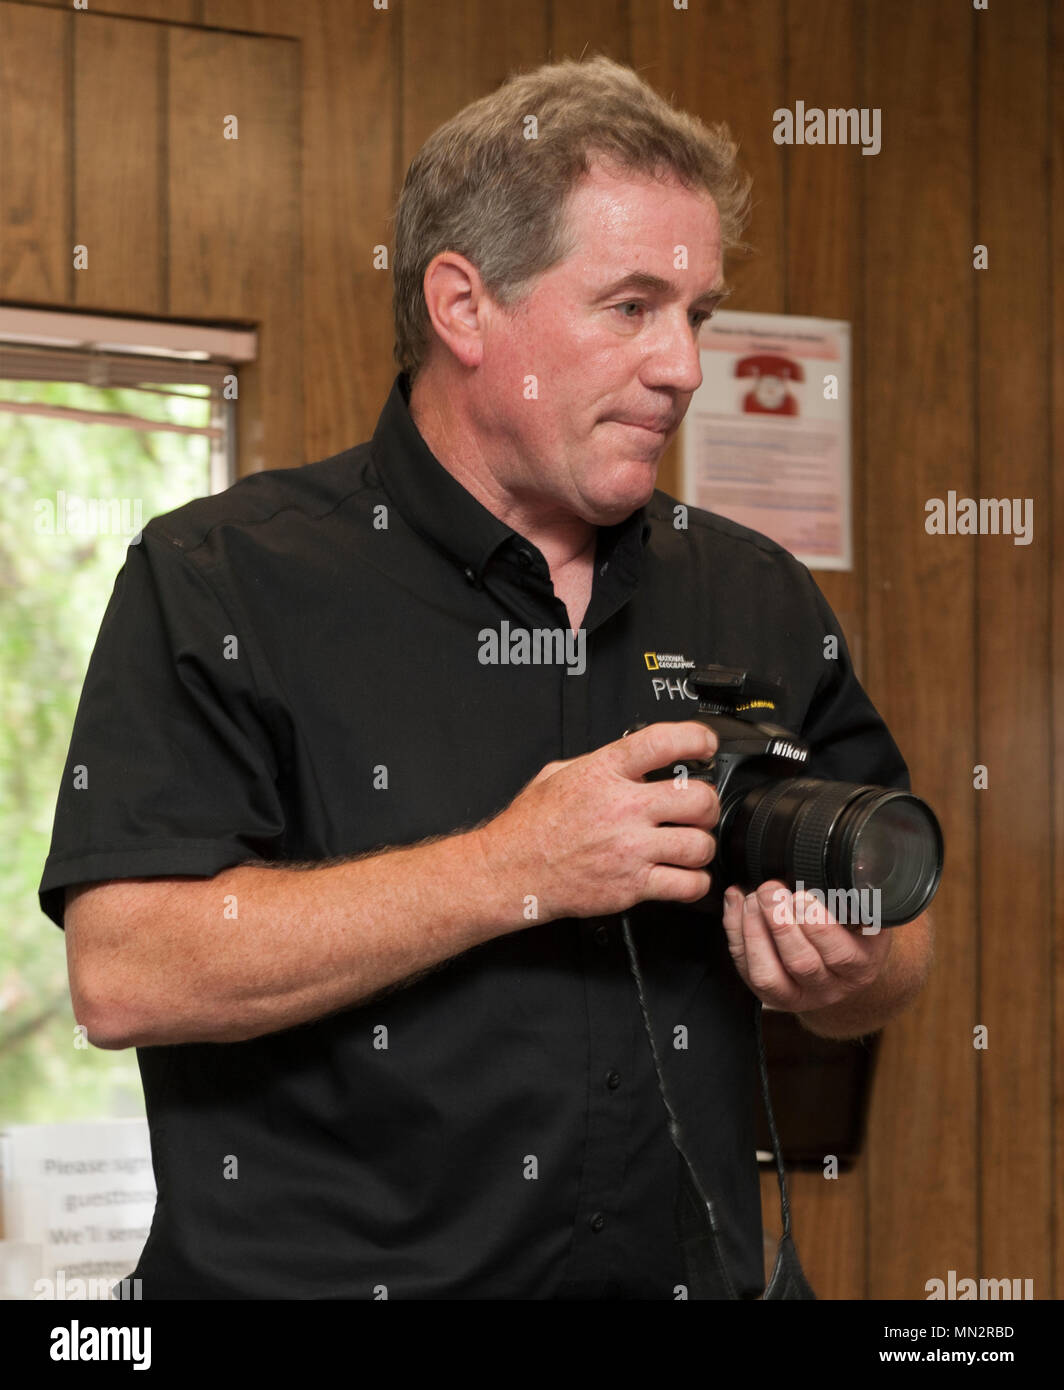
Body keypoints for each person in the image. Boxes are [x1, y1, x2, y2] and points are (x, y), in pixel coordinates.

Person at [38, 54, 932, 1301]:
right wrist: (513, 869)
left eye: (699, 314)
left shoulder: (755, 592)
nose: (680, 364)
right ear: (463, 308)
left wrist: (846, 974)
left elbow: (901, 941)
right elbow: (125, 969)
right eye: (629, 307)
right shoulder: (219, 578)